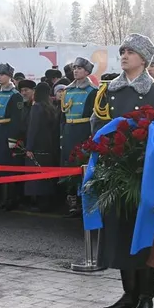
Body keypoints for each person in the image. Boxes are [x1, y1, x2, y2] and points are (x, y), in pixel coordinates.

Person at [95, 33, 154, 308]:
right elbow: (99, 125)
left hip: (144, 171)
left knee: (144, 233)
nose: (124, 55)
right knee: (120, 232)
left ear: (144, 58)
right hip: (115, 168)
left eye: (130, 51)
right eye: (122, 51)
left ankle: (145, 297)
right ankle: (128, 293)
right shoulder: (109, 91)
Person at [60, 57, 97, 217]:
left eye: (80, 68)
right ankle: (72, 201)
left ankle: (85, 201)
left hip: (83, 131)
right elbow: (62, 116)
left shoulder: (92, 91)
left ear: (87, 72)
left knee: (83, 165)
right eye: (74, 67)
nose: (76, 70)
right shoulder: (67, 91)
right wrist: (62, 135)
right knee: (69, 165)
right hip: (69, 131)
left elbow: (94, 117)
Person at [0, 63, 25, 210]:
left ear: (9, 76)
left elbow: (17, 119)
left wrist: (12, 138)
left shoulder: (15, 95)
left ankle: (11, 198)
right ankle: (3, 198)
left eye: (2, 74)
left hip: (7, 132)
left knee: (8, 167)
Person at [24, 82, 60, 212]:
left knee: (36, 175)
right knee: (46, 175)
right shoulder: (51, 107)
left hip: (37, 145)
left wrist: (29, 147)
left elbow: (33, 129)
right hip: (49, 145)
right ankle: (48, 202)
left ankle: (38, 203)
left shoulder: (36, 107)